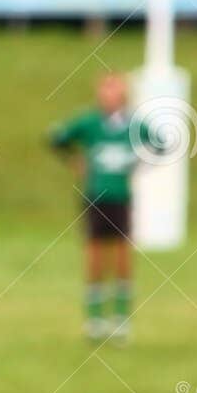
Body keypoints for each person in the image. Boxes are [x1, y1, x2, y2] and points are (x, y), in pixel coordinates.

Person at [48, 72, 154, 342]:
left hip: (121, 198)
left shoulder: (134, 125)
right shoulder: (89, 122)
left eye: (114, 89)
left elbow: (160, 142)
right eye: (105, 89)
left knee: (122, 258)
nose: (108, 95)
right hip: (96, 198)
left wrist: (139, 165)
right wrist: (74, 161)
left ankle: (121, 319)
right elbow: (55, 138)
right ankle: (95, 320)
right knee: (94, 256)